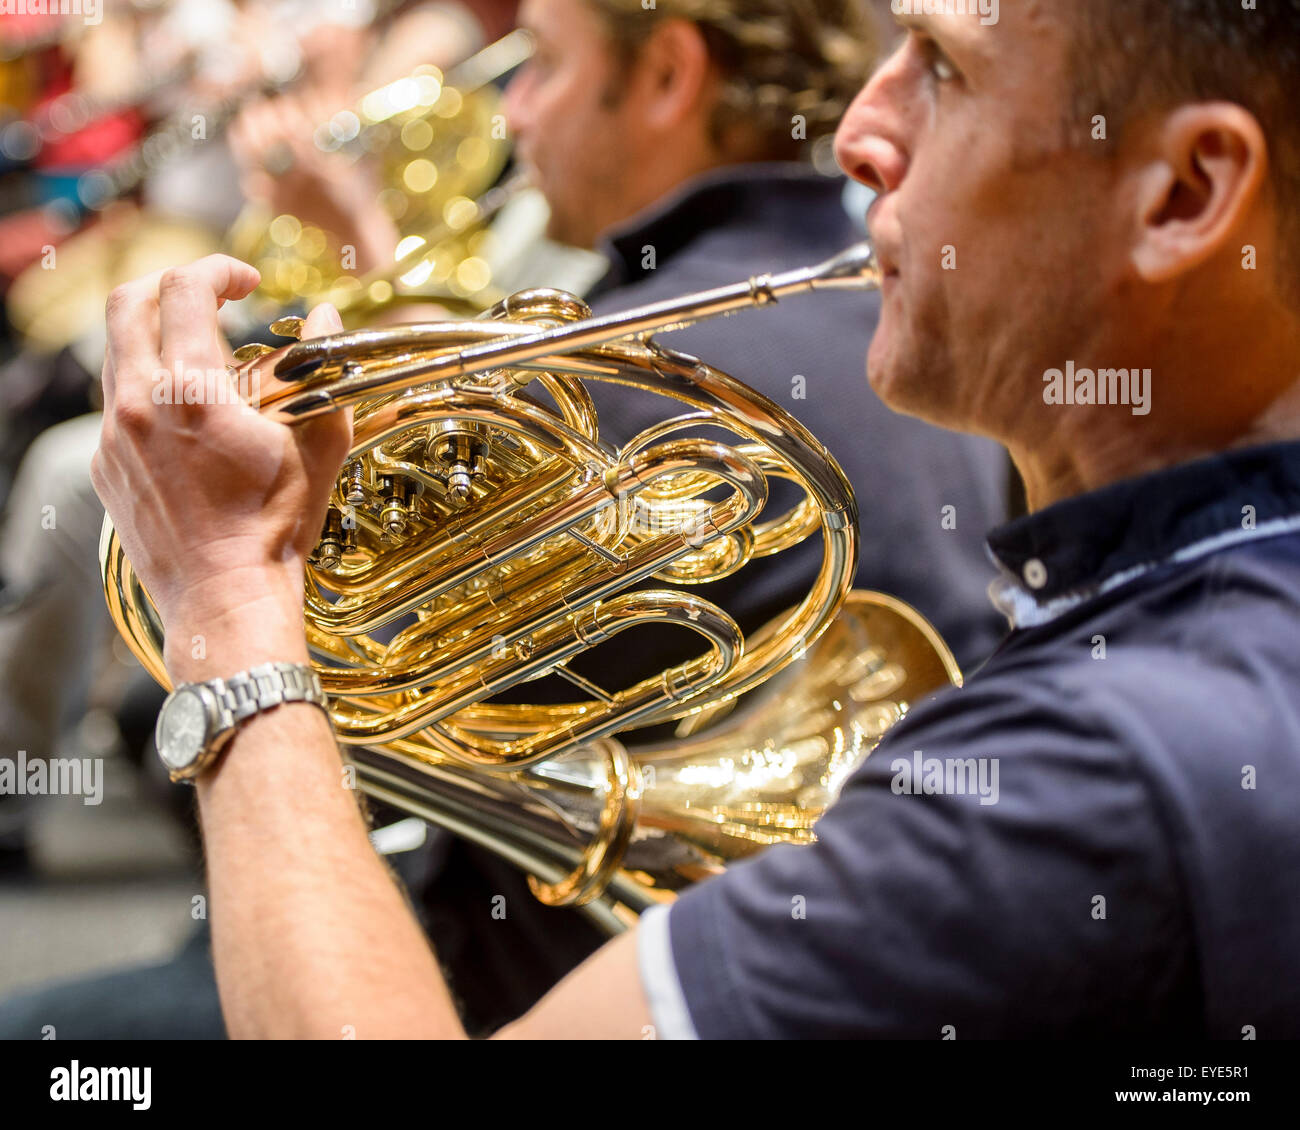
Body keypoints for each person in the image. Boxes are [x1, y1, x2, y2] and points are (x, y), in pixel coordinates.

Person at [86, 0, 1300, 1039]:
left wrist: (229, 598)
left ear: (1184, 194)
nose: (858, 135)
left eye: (943, 68)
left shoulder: (1083, 783)